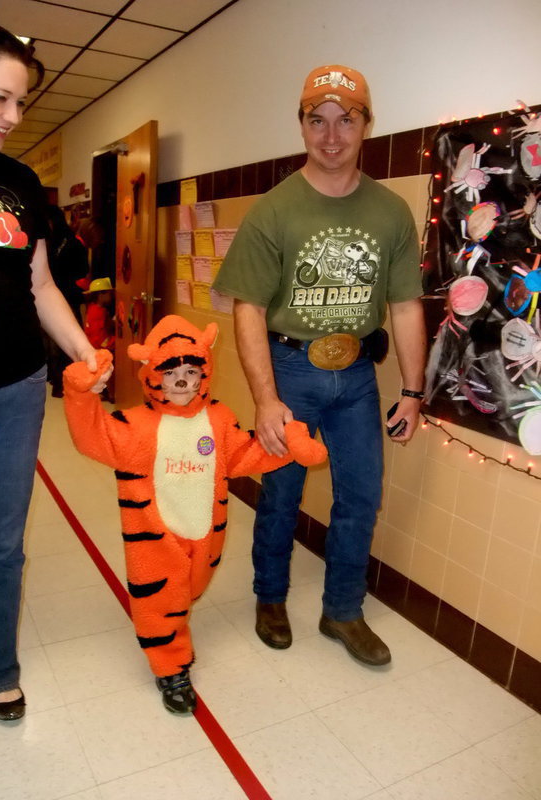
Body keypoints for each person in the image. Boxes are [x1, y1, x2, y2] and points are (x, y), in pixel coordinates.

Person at [212, 64, 427, 666]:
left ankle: (342, 610)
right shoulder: (273, 211)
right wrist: (265, 397)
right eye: (318, 120)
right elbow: (249, 309)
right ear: (302, 124)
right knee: (281, 493)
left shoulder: (389, 212)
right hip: (292, 374)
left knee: (361, 495)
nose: (331, 136)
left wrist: (413, 391)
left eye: (346, 120)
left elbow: (407, 305)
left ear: (365, 126)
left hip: (357, 376)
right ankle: (270, 597)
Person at [0, 19, 110, 722]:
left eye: (21, 102)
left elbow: (41, 286)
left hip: (13, 393)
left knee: (4, 547)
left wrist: (83, 351)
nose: (12, 117)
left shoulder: (19, 181)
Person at [62, 314, 327, 714]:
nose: (182, 381)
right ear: (151, 374)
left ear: (206, 372)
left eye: (191, 371)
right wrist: (81, 394)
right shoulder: (134, 425)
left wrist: (289, 444)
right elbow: (92, 436)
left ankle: (172, 626)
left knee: (188, 591)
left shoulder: (218, 419)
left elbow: (244, 454)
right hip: (154, 539)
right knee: (161, 603)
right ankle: (171, 667)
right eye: (171, 373)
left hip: (205, 536)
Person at [44, 204, 89, 396]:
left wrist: (63, 277)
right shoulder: (49, 241)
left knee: (64, 343)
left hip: (67, 297)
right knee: (50, 344)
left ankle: (65, 382)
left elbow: (82, 269)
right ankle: (56, 379)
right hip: (49, 299)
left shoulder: (70, 242)